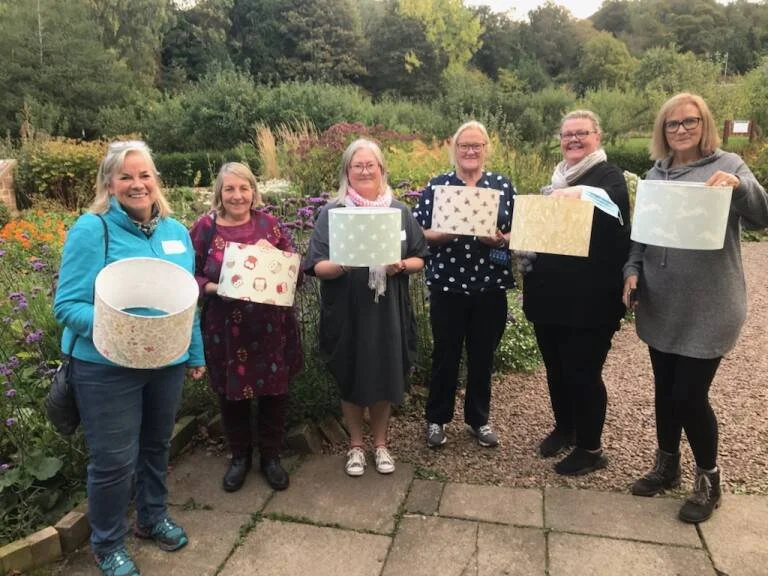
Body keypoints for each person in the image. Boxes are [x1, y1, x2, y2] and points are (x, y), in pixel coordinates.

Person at [53, 141, 206, 576]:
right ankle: (107, 544)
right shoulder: (92, 229)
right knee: (114, 460)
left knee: (157, 446)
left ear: (156, 180)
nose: (137, 184)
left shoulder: (176, 233)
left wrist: (193, 352)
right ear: (109, 184)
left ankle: (152, 518)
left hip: (165, 364)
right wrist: (123, 332)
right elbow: (67, 305)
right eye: (126, 176)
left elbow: (186, 302)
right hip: (105, 368)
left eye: (145, 175)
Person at [623, 93, 768, 522]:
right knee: (665, 390)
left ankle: (709, 478)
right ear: (662, 131)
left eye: (689, 122)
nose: (681, 129)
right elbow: (641, 235)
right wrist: (631, 269)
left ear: (704, 124)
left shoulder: (728, 167)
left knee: (689, 395)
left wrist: (741, 188)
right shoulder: (656, 174)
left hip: (710, 303)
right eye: (672, 124)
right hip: (661, 300)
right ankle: (666, 465)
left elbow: (762, 215)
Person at [303, 138, 427, 476]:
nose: (364, 170)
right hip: (347, 312)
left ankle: (381, 444)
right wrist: (345, 263)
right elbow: (316, 266)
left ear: (382, 169)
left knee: (386, 373)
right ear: (347, 171)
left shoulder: (399, 211)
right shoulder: (333, 211)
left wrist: (400, 266)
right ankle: (356, 445)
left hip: (388, 311)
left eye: (370, 164)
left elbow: (419, 257)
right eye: (357, 165)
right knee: (351, 372)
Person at [521, 110, 630, 476]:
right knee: (556, 369)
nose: (573, 140)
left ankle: (590, 447)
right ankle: (564, 428)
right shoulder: (556, 181)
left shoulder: (608, 177)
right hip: (551, 299)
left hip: (590, 302)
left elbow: (613, 212)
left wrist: (576, 193)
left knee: (583, 372)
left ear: (597, 137)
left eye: (581, 133)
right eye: (567, 134)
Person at [189, 162, 302, 493]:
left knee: (275, 393)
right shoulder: (205, 228)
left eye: (244, 188)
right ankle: (239, 457)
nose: (237, 196)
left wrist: (279, 260)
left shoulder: (269, 225)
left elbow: (295, 269)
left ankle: (271, 456)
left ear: (254, 191)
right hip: (226, 329)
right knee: (231, 396)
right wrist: (214, 287)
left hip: (271, 327)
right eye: (229, 189)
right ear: (219, 194)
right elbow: (188, 275)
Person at [413, 120, 515, 449]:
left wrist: (498, 240)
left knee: (482, 355)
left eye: (477, 145)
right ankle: (436, 419)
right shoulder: (438, 187)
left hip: (490, 285)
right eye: (464, 145)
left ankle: (479, 419)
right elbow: (418, 232)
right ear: (454, 150)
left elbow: (519, 231)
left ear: (486, 149)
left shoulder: (501, 185)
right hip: (448, 285)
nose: (470, 151)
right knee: (446, 354)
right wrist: (442, 234)